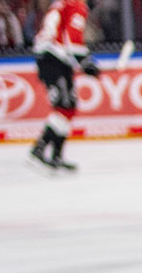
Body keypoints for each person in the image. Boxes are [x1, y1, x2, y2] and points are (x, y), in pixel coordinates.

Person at [28, 0, 94, 174]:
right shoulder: (77, 4)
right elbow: (73, 35)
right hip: (53, 57)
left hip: (55, 58)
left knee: (69, 107)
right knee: (64, 106)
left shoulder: (64, 2)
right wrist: (84, 61)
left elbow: (62, 31)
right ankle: (39, 150)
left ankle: (56, 156)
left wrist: (82, 60)